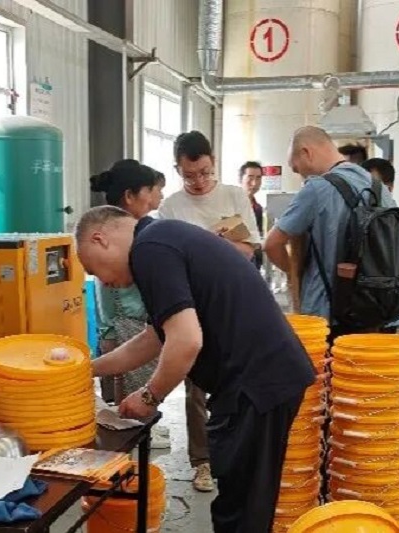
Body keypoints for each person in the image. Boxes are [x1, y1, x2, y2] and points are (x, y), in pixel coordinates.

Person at [75, 205, 316, 533]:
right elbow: (153, 339)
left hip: (256, 385)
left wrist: (150, 395)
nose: (103, 282)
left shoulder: (150, 249)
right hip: (262, 379)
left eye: (93, 269)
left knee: (241, 511)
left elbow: (186, 340)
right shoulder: (162, 239)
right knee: (243, 501)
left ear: (99, 239)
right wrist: (86, 370)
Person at [157, 130, 261, 493]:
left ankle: (235, 453)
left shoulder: (234, 196)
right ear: (177, 169)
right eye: (190, 175)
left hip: (234, 303)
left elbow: (248, 250)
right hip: (193, 305)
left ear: (213, 162)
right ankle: (202, 461)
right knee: (196, 386)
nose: (199, 182)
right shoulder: (171, 208)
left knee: (238, 381)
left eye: (204, 172)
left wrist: (209, 247)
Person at [263, 126, 397, 338]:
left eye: (296, 169)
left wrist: (293, 273)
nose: (300, 176)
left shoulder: (317, 188)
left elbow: (271, 244)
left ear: (307, 153)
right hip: (375, 309)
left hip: (326, 315)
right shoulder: (378, 187)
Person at [90, 159, 170, 449]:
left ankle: (140, 432)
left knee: (137, 390)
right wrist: (108, 333)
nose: (155, 196)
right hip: (129, 323)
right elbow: (105, 290)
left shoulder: (137, 231)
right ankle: (136, 437)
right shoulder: (117, 236)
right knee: (132, 394)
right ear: (130, 195)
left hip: (141, 322)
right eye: (150, 189)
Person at [361, 157, 399, 333]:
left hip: (385, 310)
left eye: (374, 184)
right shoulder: (360, 217)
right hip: (361, 308)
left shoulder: (397, 223)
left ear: (389, 187)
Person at [239, 161, 265, 269]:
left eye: (258, 178)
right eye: (250, 178)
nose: (254, 183)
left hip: (254, 262)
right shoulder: (231, 205)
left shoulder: (258, 208)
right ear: (241, 179)